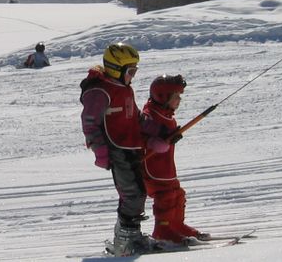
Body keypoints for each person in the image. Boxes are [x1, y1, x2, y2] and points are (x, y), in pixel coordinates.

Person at [79, 42, 153, 256]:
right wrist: (101, 151)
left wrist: (158, 131)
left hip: (130, 147)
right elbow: (90, 123)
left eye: (135, 71)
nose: (133, 76)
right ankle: (124, 241)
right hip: (116, 149)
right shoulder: (100, 91)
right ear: (115, 69)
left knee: (137, 192)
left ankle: (131, 235)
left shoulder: (123, 88)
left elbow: (136, 117)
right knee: (133, 194)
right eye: (131, 71)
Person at [140, 74, 208, 245]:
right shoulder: (149, 115)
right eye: (176, 96)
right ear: (163, 97)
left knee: (177, 194)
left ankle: (176, 225)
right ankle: (162, 230)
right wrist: (158, 139)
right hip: (152, 168)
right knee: (166, 196)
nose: (179, 100)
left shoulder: (166, 115)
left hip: (166, 167)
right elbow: (142, 132)